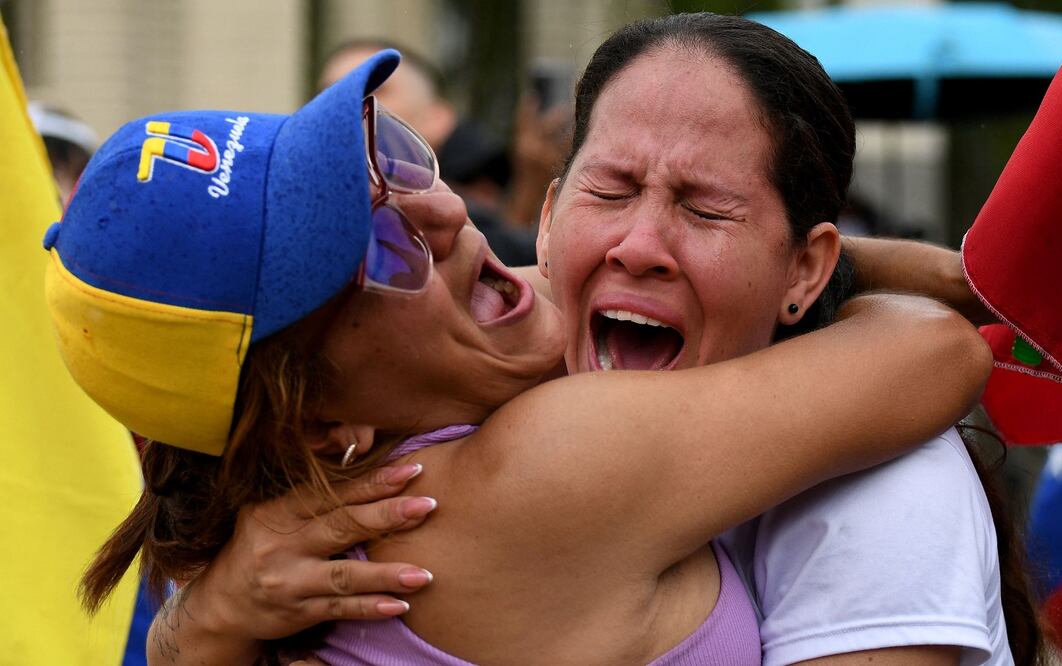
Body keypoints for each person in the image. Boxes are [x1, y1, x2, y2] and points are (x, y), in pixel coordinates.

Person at [49, 34, 992, 666]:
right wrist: (787, 258)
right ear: (322, 415)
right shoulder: (532, 471)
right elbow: (935, 353)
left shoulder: (349, 487)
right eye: (376, 249)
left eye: (391, 165)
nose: (449, 212)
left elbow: (576, 273)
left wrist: (189, 632)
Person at [320, 39, 538, 266]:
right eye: (329, 95)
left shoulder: (462, 219)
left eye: (373, 89)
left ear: (437, 118)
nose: (343, 105)